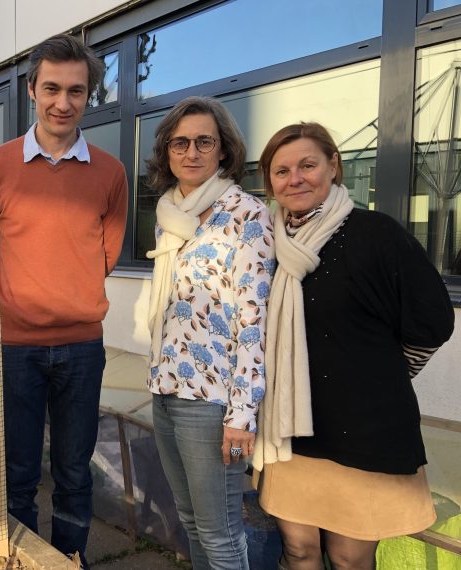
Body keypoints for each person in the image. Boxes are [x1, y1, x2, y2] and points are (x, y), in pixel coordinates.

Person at [253, 122, 455, 570]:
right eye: (282, 171)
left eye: (308, 165)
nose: (295, 178)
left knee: (348, 558)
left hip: (362, 432)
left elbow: (434, 320)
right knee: (299, 551)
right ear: (270, 181)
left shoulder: (374, 233)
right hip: (291, 427)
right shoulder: (266, 243)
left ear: (333, 167)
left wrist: (383, 377)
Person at [0, 34, 128, 568]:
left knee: (74, 471)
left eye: (77, 91)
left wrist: (72, 292)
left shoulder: (110, 172)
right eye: (53, 88)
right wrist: (25, 299)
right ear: (33, 91)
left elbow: (106, 252)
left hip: (84, 346)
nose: (64, 102)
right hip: (16, 347)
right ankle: (21, 558)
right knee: (16, 470)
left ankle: (69, 557)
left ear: (89, 97)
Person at [145, 95, 275, 569]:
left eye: (205, 141)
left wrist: (241, 414)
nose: (191, 151)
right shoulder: (169, 216)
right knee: (190, 519)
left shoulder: (247, 215)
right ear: (167, 152)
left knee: (220, 535)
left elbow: (253, 323)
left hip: (213, 401)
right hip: (164, 388)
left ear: (224, 150)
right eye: (180, 143)